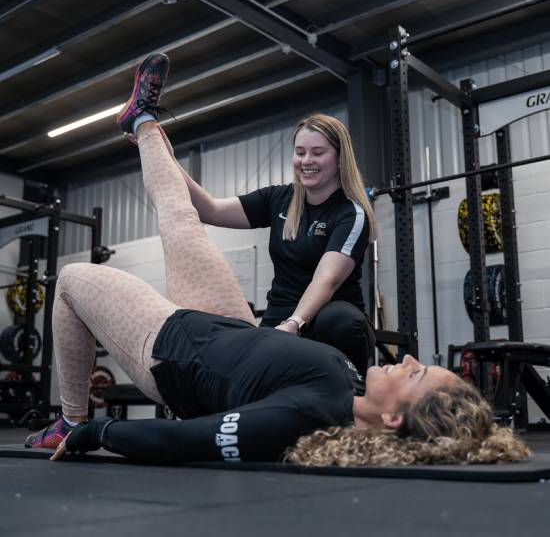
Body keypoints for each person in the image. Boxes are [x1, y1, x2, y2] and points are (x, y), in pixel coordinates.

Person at [25, 53, 529, 467]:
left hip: (173, 348)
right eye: (300, 152)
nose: (412, 360)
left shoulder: (307, 411)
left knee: (69, 279)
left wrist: (99, 430)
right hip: (235, 328)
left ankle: (68, 419)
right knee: (179, 213)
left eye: (417, 374)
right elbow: (209, 209)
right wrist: (170, 166)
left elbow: (191, 441)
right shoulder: (345, 388)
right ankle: (143, 120)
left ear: (394, 419)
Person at [145, 82, 377, 373]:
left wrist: (292, 325)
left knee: (340, 320)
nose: (306, 161)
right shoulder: (279, 199)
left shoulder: (350, 213)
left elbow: (326, 280)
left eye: (318, 152)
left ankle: (351, 390)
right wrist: (162, 153)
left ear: (339, 158)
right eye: (300, 152)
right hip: (279, 318)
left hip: (326, 321)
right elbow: (209, 209)